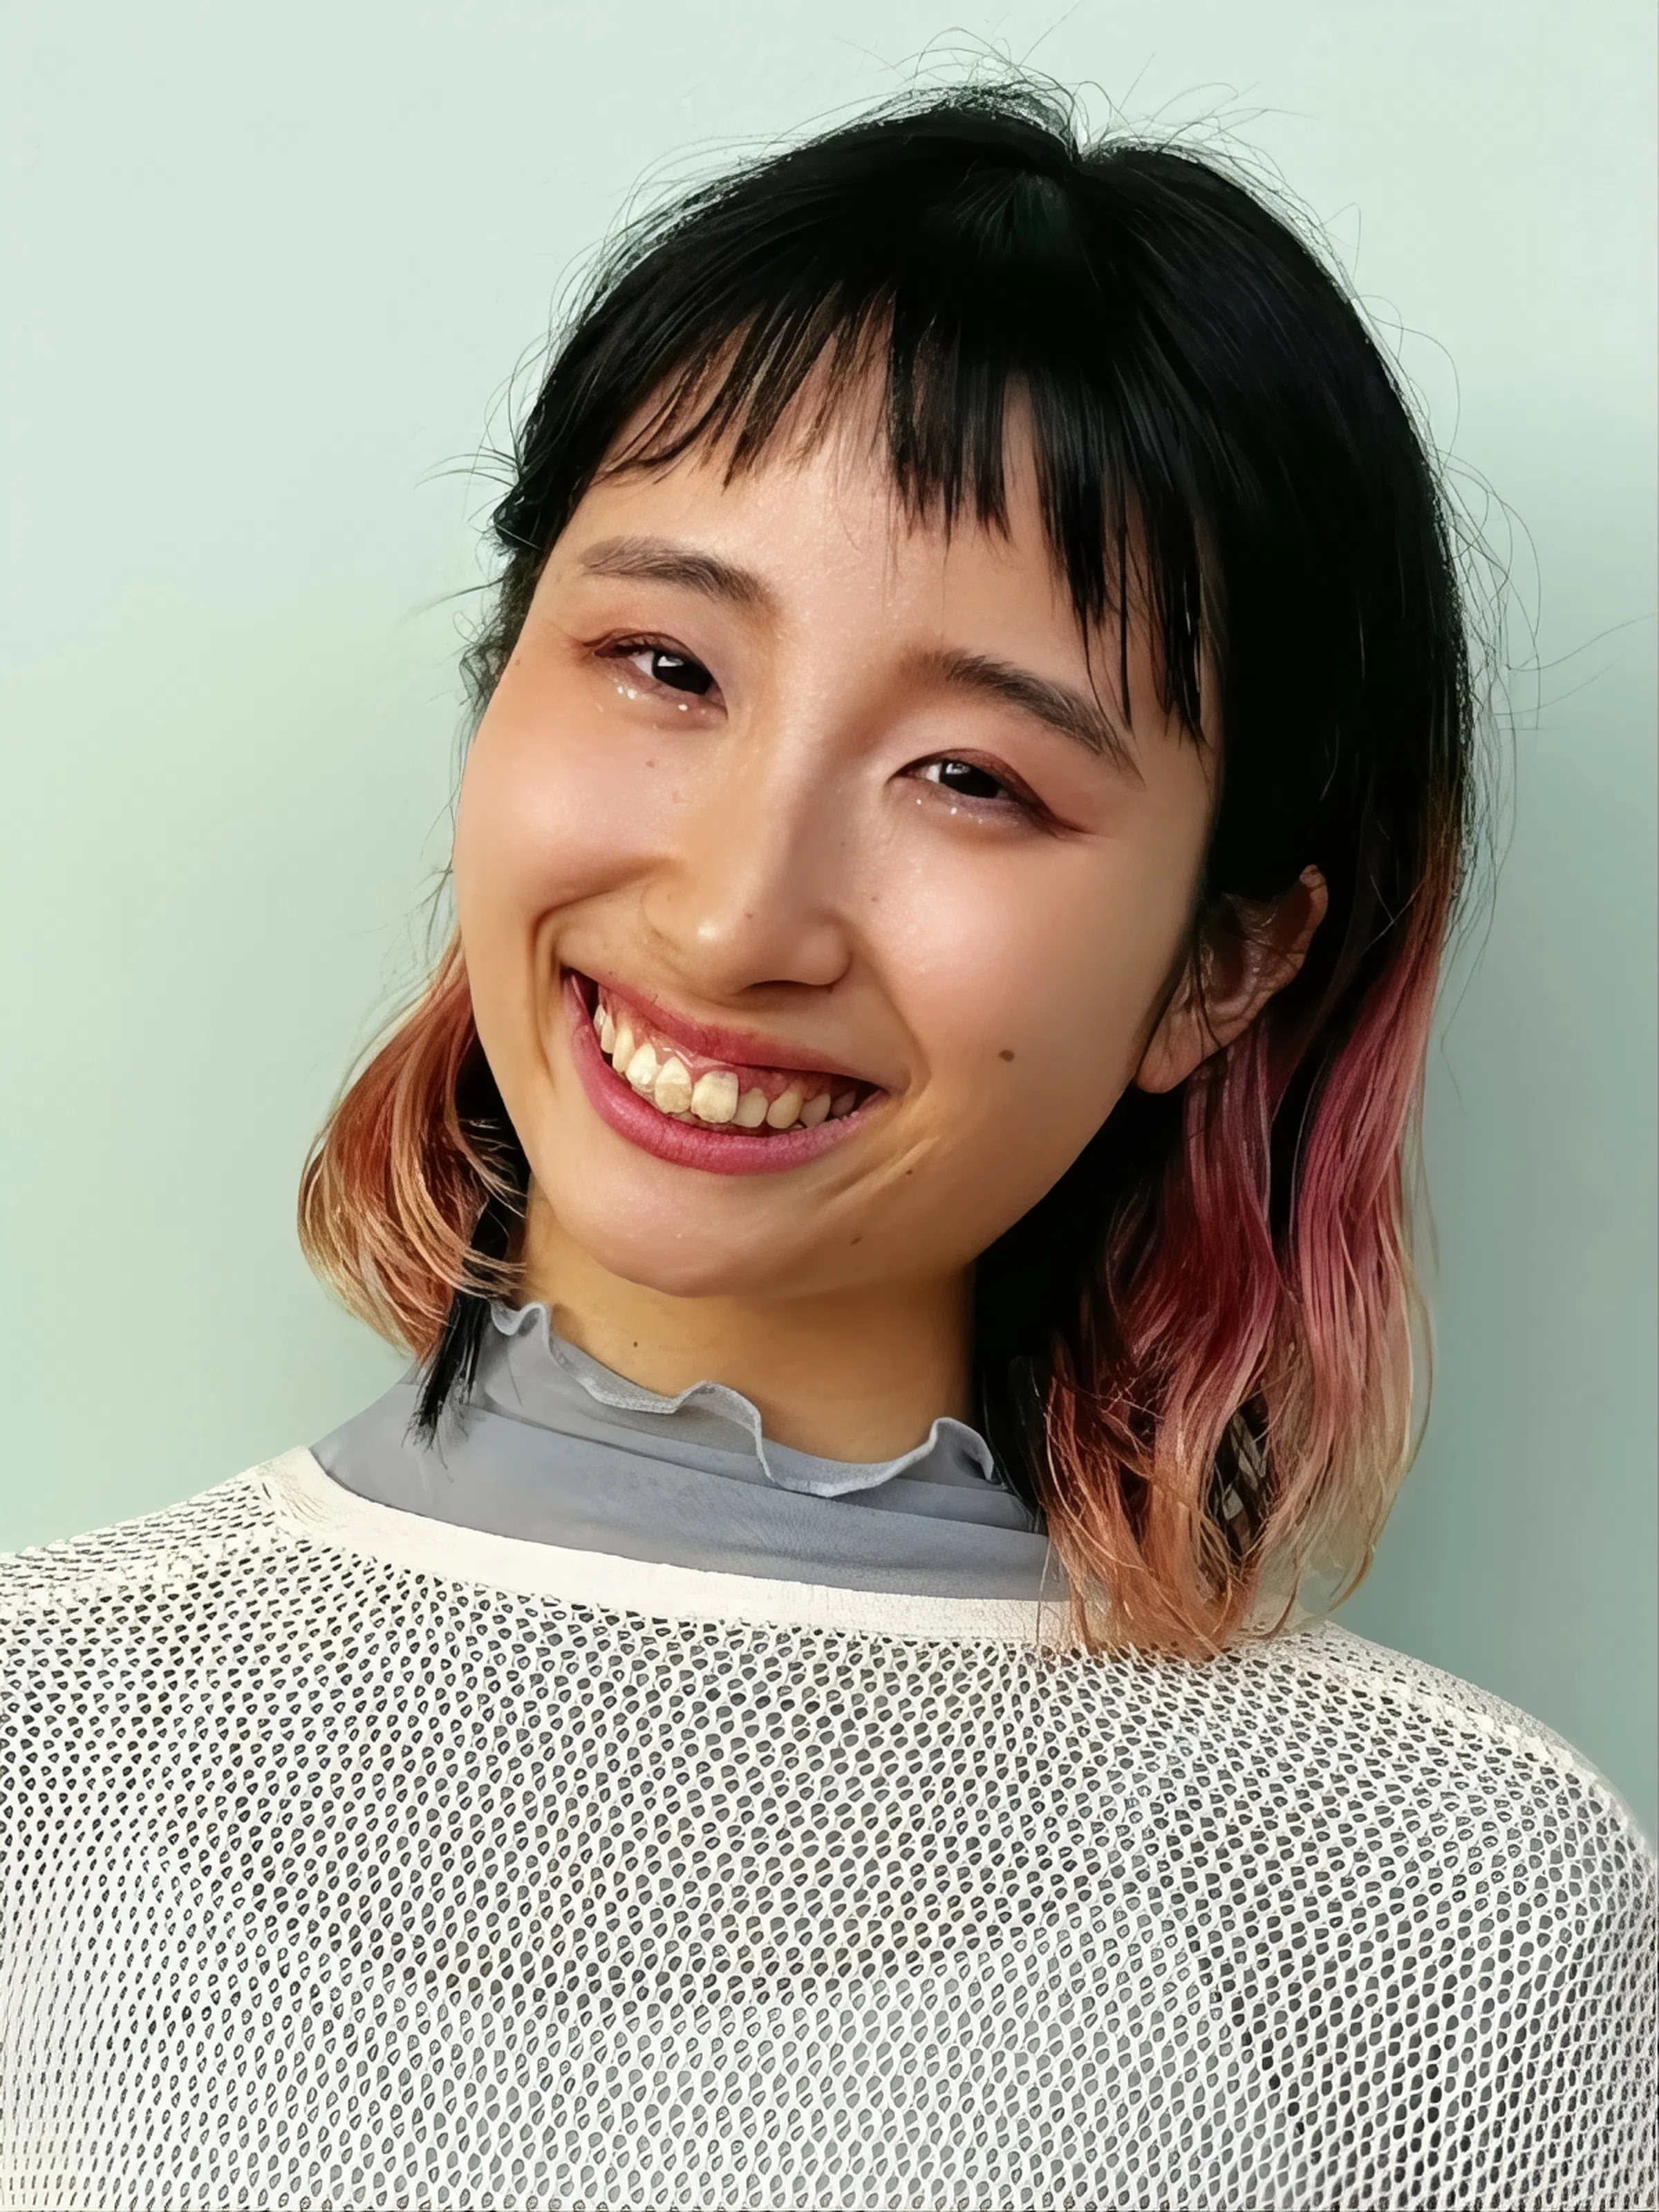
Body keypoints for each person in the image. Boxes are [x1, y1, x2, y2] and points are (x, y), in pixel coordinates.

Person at [2, 82, 1653, 2212]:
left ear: (1222, 966)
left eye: (973, 777)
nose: (732, 920)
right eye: (663, 664)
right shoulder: (41, 1744)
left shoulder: (1447, 1923)